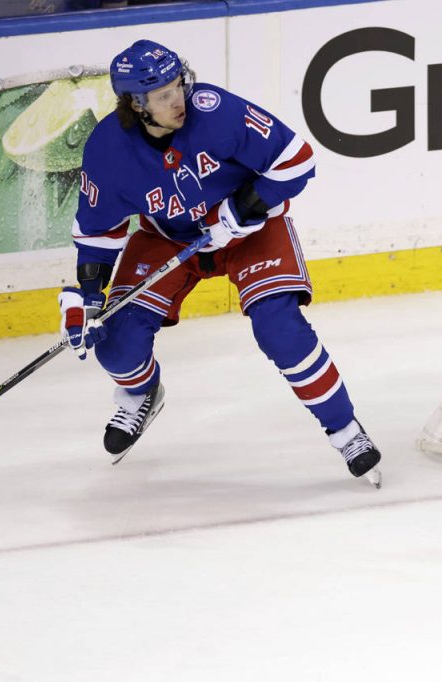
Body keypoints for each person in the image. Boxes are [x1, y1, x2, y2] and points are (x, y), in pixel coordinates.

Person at [58, 39, 382, 484]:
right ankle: (141, 394)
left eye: (179, 85)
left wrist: (244, 207)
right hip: (168, 239)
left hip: (250, 232)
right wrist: (89, 297)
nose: (179, 100)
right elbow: (98, 232)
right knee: (115, 345)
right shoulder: (108, 150)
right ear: (136, 105)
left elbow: (296, 161)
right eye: (164, 95)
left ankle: (346, 431)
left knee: (279, 328)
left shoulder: (215, 111)